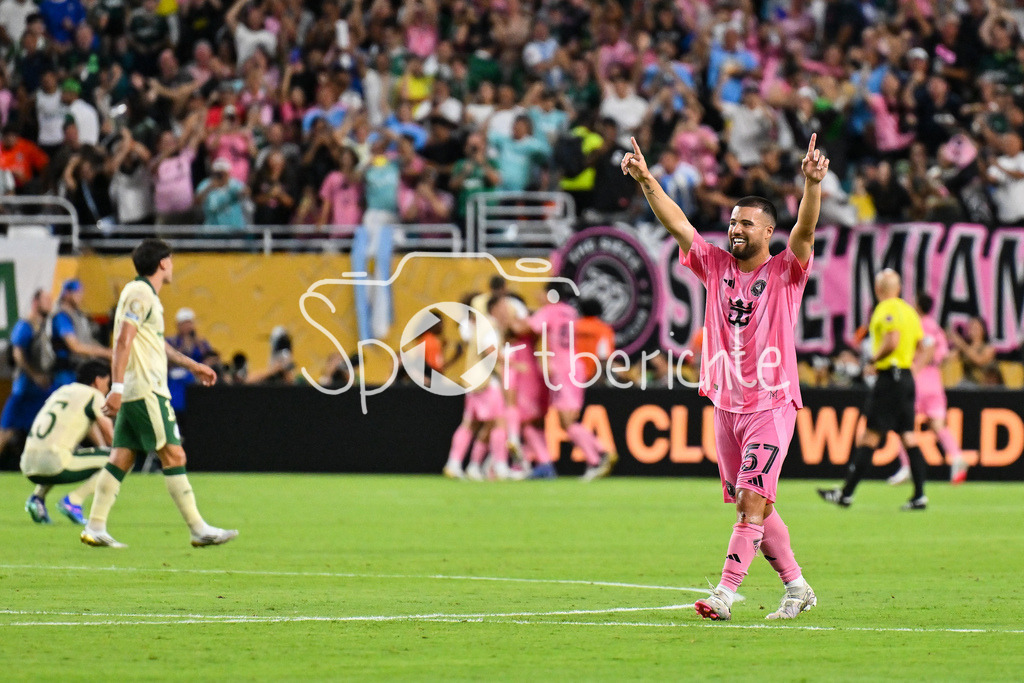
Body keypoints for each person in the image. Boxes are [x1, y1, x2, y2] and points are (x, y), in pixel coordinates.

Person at [622, 133, 828, 621]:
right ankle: (797, 587)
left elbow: (806, 228)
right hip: (726, 404)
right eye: (733, 222)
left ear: (768, 232)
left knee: (751, 500)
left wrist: (812, 185)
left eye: (747, 224)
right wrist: (647, 180)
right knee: (754, 501)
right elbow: (678, 224)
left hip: (772, 404)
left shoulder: (785, 271)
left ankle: (725, 592)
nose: (736, 230)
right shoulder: (714, 265)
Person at [81, 238, 237, 548]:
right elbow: (123, 340)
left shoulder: (140, 293)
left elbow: (155, 343)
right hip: (145, 390)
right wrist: (117, 388)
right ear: (163, 263)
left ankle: (95, 525)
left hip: (136, 389)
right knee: (174, 453)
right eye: (171, 260)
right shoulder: (141, 293)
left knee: (122, 457)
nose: (173, 265)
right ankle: (198, 528)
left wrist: (193, 365)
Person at [819, 269, 927, 511]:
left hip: (890, 378)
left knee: (870, 435)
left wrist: (873, 362)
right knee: (908, 435)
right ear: (898, 288)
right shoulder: (909, 311)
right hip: (906, 377)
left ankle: (846, 494)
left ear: (878, 289)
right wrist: (911, 370)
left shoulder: (886, 308)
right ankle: (919, 495)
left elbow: (892, 340)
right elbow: (922, 346)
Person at [500, 282, 618, 482]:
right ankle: (596, 458)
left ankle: (600, 453)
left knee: (567, 422)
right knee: (568, 420)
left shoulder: (549, 311)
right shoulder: (570, 312)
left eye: (543, 293)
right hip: (575, 365)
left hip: (562, 368)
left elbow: (524, 328)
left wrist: (508, 319)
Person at [889, 292, 968, 486]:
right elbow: (943, 354)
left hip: (917, 379)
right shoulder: (936, 328)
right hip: (934, 381)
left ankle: (906, 466)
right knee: (939, 425)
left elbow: (922, 347)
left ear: (917, 305)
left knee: (904, 424)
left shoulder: (915, 324)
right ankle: (957, 458)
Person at [21, 360, 114, 526]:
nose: (107, 390)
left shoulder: (63, 391)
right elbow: (109, 435)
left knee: (57, 448)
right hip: (54, 464)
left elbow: (88, 425)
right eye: (107, 384)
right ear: (98, 381)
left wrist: (101, 449)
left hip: (27, 464)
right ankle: (74, 501)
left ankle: (37, 498)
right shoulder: (94, 395)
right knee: (118, 460)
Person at [0, 289, 53, 466]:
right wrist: (35, 375)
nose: (50, 304)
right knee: (6, 430)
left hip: (40, 392)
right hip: (24, 389)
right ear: (36, 302)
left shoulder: (43, 326)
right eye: (46, 300)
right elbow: (18, 353)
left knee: (48, 430)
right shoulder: (25, 325)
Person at [50, 279, 112, 389]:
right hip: (65, 373)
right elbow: (75, 347)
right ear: (67, 294)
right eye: (77, 292)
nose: (80, 296)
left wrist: (106, 352)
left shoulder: (78, 315)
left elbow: (87, 340)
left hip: (79, 371)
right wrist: (105, 353)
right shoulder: (62, 316)